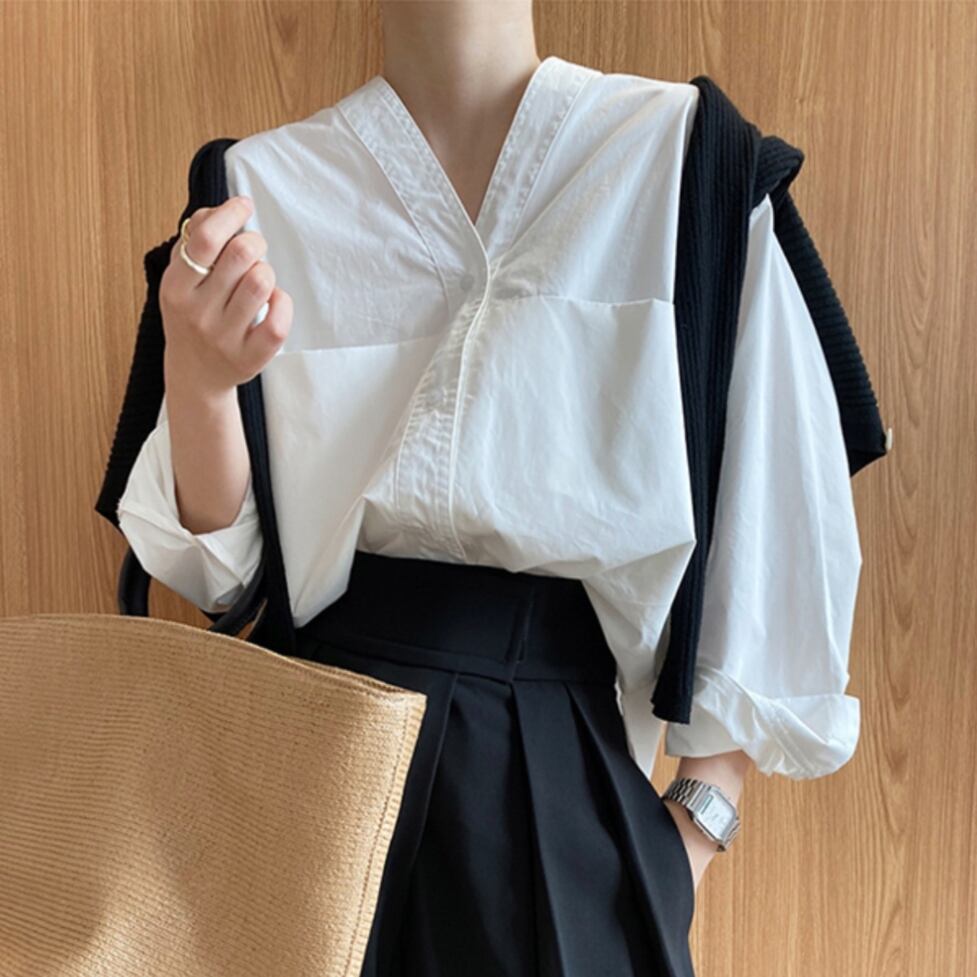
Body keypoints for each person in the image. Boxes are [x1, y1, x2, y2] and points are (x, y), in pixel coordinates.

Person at [112, 3, 866, 974]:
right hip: (300, 766)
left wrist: (688, 833)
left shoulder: (686, 161)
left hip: (559, 780)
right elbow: (226, 579)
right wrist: (200, 379)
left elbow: (775, 525)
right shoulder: (257, 187)